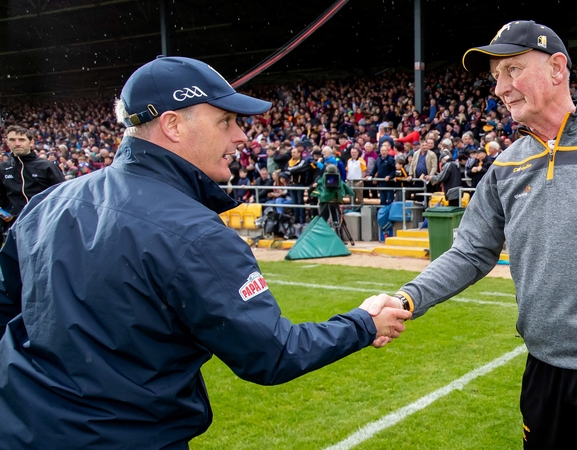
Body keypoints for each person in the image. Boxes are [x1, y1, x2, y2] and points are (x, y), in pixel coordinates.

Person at [0, 56, 410, 449]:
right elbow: (272, 353)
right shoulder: (193, 231)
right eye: (225, 121)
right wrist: (363, 324)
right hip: (124, 437)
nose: (241, 136)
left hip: (21, 428)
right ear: (173, 125)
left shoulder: (48, 202)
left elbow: (9, 310)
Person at [368, 21, 577, 450]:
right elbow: (471, 253)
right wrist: (405, 299)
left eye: (512, 71)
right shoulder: (506, 166)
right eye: (496, 77)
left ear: (557, 68)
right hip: (542, 368)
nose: (500, 88)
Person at [0, 125, 66, 238]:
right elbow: (2, 200)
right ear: (7, 142)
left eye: (21, 139)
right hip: (15, 226)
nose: (17, 143)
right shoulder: (2, 168)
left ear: (31, 143)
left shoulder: (46, 167)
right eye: (12, 140)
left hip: (44, 224)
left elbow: (63, 196)